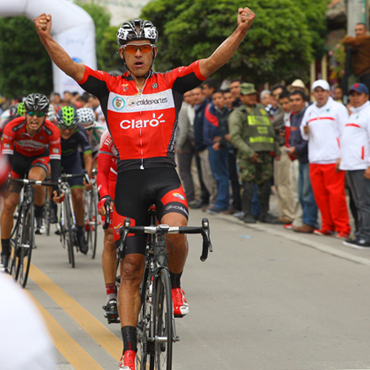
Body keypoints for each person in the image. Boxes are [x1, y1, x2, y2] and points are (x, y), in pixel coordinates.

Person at [34, 7, 256, 369]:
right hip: (128, 184)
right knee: (132, 267)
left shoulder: (172, 82)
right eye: (132, 48)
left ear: (154, 52)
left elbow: (213, 62)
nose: (138, 54)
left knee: (174, 232)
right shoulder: (109, 86)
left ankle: (178, 283)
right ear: (122, 54)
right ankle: (129, 351)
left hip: (164, 175)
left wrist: (241, 30)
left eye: (145, 48)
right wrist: (46, 37)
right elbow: (73, 69)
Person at [1, 93, 61, 269]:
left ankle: (39, 212)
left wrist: (56, 185)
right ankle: (4, 252)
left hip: (38, 160)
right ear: (25, 113)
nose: (35, 118)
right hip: (16, 161)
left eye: (40, 114)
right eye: (31, 113)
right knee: (9, 205)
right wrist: (7, 181)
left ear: (45, 115)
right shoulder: (12, 126)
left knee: (36, 181)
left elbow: (56, 161)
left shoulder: (52, 130)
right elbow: (7, 158)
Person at [301, 79, 350, 238]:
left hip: (332, 159)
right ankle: (327, 226)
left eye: (323, 91)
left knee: (336, 196)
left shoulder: (338, 108)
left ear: (329, 92)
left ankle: (343, 228)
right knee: (320, 196)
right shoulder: (310, 110)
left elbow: (345, 134)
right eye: (317, 91)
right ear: (313, 94)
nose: (320, 94)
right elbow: (304, 134)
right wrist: (306, 131)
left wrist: (341, 157)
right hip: (315, 159)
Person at [230, 82, 281, 224]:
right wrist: (248, 152)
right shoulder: (238, 113)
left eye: (253, 94)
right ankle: (247, 213)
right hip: (248, 156)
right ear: (241, 97)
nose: (252, 97)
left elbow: (270, 130)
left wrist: (276, 149)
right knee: (248, 185)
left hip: (265, 154)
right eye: (248, 95)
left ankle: (264, 213)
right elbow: (235, 137)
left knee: (265, 185)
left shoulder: (261, 110)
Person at [56, 106, 93, 254]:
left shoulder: (80, 131)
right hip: (56, 161)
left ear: (76, 125)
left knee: (78, 196)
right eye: (63, 127)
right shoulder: (52, 131)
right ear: (58, 124)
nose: (66, 131)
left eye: (70, 128)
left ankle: (79, 232)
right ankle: (51, 210)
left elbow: (88, 157)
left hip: (73, 162)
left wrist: (87, 178)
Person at [340, 83, 370, 248]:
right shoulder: (354, 114)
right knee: (357, 203)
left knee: (365, 203)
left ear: (366, 96)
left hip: (362, 165)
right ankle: (360, 233)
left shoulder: (368, 113)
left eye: (359, 94)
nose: (355, 98)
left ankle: (367, 236)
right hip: (351, 165)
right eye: (352, 95)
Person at [97, 130, 120, 322]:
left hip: (143, 182)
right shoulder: (109, 136)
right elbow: (102, 172)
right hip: (115, 182)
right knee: (111, 237)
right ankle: (111, 295)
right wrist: (104, 197)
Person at [287, 90, 318, 233]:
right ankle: (304, 220)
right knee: (300, 193)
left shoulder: (308, 113)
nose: (294, 103)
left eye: (297, 100)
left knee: (307, 192)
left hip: (308, 157)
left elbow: (309, 137)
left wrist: (297, 149)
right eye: (292, 100)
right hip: (299, 158)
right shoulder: (294, 116)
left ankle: (310, 222)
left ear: (304, 101)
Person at [203, 90, 230, 214]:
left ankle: (222, 202)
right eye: (215, 99)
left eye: (220, 98)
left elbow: (229, 131)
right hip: (212, 146)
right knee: (217, 176)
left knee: (222, 176)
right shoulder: (211, 112)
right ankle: (220, 201)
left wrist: (221, 139)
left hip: (223, 146)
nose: (218, 101)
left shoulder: (228, 113)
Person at [193, 86, 217, 209]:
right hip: (199, 149)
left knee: (210, 176)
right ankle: (207, 199)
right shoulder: (197, 109)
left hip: (206, 147)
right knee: (204, 177)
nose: (196, 97)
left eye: (199, 94)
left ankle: (214, 201)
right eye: (194, 95)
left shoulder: (207, 107)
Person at [274, 91, 295, 224]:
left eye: (286, 102)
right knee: (279, 184)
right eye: (281, 103)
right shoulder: (283, 115)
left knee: (285, 184)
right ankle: (283, 213)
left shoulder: (293, 115)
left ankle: (289, 215)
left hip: (288, 151)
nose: (284, 106)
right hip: (280, 150)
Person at [176, 90, 199, 208]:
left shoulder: (183, 109)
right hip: (186, 143)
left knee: (185, 172)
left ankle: (190, 197)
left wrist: (178, 146)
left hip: (184, 145)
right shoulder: (186, 108)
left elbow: (184, 131)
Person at [342, 23, 370, 94]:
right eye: (356, 30)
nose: (357, 32)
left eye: (360, 30)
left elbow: (345, 40)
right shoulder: (359, 42)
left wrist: (348, 40)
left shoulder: (366, 38)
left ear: (365, 31)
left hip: (367, 74)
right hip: (361, 75)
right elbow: (346, 50)